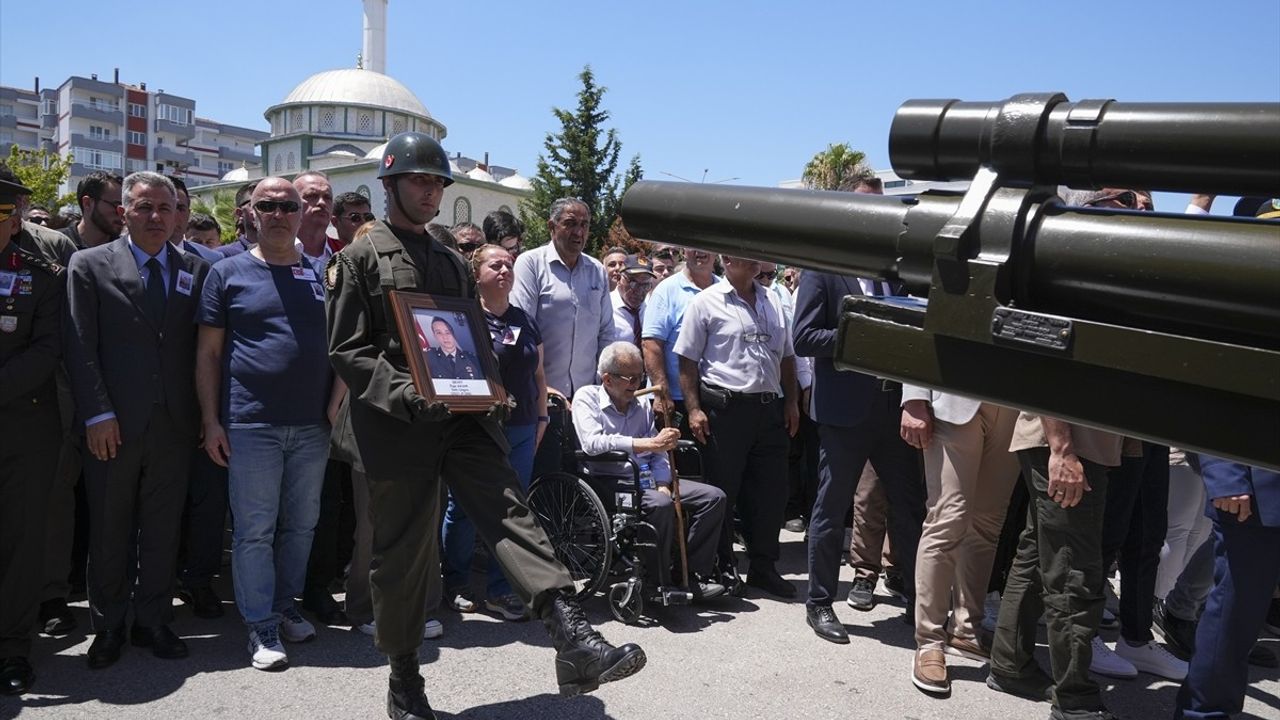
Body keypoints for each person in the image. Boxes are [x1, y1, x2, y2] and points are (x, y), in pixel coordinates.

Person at [326, 132, 644, 718]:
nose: (430, 191)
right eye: (420, 180)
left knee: (510, 512)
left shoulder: (450, 261)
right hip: (397, 425)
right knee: (402, 553)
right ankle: (404, 679)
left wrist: (491, 387)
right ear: (390, 183)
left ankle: (570, 635)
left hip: (462, 418)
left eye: (437, 183)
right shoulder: (359, 260)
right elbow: (349, 350)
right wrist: (405, 392)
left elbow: (469, 338)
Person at [64, 171, 210, 669]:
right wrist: (98, 412)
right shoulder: (88, 265)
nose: (156, 217)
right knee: (110, 527)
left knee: (163, 527)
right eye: (144, 207)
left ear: (177, 214)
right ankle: (108, 626)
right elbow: (79, 346)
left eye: (165, 208)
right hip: (113, 424)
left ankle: (152, 619)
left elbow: (199, 349)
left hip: (173, 423)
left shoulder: (195, 268)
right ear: (123, 212)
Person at [196, 177, 335, 670]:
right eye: (268, 205)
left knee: (301, 525)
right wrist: (212, 420)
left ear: (301, 214)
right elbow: (209, 354)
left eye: (287, 206)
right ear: (250, 213)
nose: (278, 213)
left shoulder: (321, 276)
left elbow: (340, 347)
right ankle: (258, 626)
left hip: (313, 424)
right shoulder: (225, 273)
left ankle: (283, 606)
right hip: (250, 423)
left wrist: (337, 399)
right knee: (254, 529)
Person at [793, 243, 925, 642]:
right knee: (831, 509)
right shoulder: (823, 269)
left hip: (893, 409)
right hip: (844, 414)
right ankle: (819, 602)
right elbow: (804, 337)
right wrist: (864, 334)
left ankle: (920, 603)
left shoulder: (896, 275)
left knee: (911, 508)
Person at [988, 408, 1128, 720]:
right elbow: (1048, 372)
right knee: (1073, 570)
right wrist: (1062, 449)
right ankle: (1075, 699)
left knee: (1038, 554)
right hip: (1069, 448)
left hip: (1073, 445)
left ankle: (1010, 664)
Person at [674, 254, 800, 599]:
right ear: (727, 260)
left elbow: (787, 356)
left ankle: (763, 567)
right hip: (725, 411)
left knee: (771, 493)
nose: (758, 260)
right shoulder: (705, 302)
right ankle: (723, 566)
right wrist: (694, 409)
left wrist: (791, 401)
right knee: (724, 492)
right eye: (748, 254)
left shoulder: (772, 298)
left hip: (768, 409)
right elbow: (687, 359)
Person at [442, 244, 549, 621]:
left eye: (508, 264)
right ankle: (455, 582)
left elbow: (537, 373)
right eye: (495, 264)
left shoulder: (524, 319)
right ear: (477, 275)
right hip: (479, 429)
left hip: (522, 429)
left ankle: (503, 590)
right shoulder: (464, 319)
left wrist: (541, 418)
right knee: (465, 509)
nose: (504, 270)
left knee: (512, 509)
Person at [574, 342, 728, 600]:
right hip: (611, 480)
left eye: (639, 376)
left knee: (713, 498)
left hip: (647, 478)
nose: (636, 384)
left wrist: (663, 480)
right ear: (607, 379)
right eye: (629, 378)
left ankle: (689, 573)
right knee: (660, 503)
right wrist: (640, 444)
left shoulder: (642, 403)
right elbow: (592, 443)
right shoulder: (586, 398)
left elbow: (658, 450)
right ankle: (658, 581)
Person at [899, 386, 1020, 694]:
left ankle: (967, 628)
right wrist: (914, 397)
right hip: (954, 396)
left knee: (987, 525)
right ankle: (929, 641)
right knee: (946, 520)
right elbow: (922, 336)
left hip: (1015, 405)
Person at [0, 172, 65, 696]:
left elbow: (47, 349)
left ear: (15, 215)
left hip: (23, 423)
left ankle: (13, 647)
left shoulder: (40, 273)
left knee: (20, 541)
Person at [510, 197, 614, 478]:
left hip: (585, 399)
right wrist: (543, 385)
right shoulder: (530, 264)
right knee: (543, 478)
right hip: (543, 398)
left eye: (584, 225)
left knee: (579, 481)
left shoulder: (597, 272)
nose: (578, 232)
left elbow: (606, 333)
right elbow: (523, 330)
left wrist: (603, 387)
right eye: (570, 224)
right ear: (551, 226)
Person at [1175, 458, 1280, 719]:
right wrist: (1225, 477)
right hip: (1258, 498)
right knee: (1233, 618)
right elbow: (1226, 417)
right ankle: (1203, 713)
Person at [60, 171, 124, 250]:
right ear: (87, 203)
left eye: (125, 207)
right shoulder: (56, 244)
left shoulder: (127, 250)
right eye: (116, 205)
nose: (122, 213)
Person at [294, 171, 334, 275]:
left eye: (327, 197)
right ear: (293, 203)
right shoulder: (274, 252)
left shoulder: (345, 252)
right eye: (312, 195)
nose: (322, 203)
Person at [610, 254, 655, 346]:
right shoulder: (605, 307)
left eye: (645, 285)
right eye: (633, 283)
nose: (639, 291)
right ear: (619, 279)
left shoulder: (652, 308)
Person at [424, 316, 484, 381]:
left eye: (448, 332)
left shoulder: (472, 358)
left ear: (454, 333)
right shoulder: (428, 357)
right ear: (434, 336)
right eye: (439, 333)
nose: (445, 337)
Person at [217, 181, 259, 259]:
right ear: (240, 213)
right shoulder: (222, 255)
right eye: (255, 204)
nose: (265, 210)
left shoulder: (285, 255)